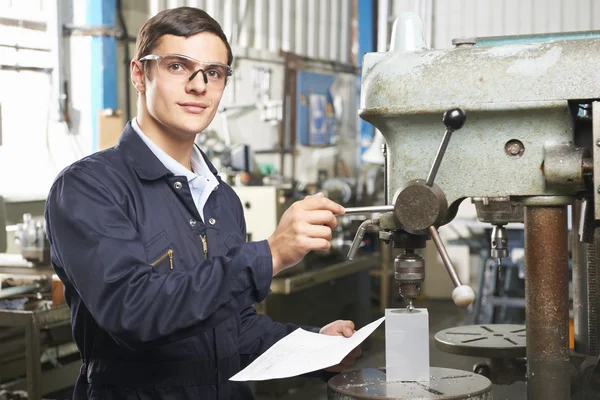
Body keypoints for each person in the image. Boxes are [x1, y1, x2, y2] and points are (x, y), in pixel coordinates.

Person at [44, 6, 361, 400]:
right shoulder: (89, 188)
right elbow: (133, 312)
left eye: (213, 72)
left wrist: (314, 346)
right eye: (178, 66)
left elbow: (233, 328)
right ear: (140, 74)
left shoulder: (221, 197)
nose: (199, 85)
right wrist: (270, 255)